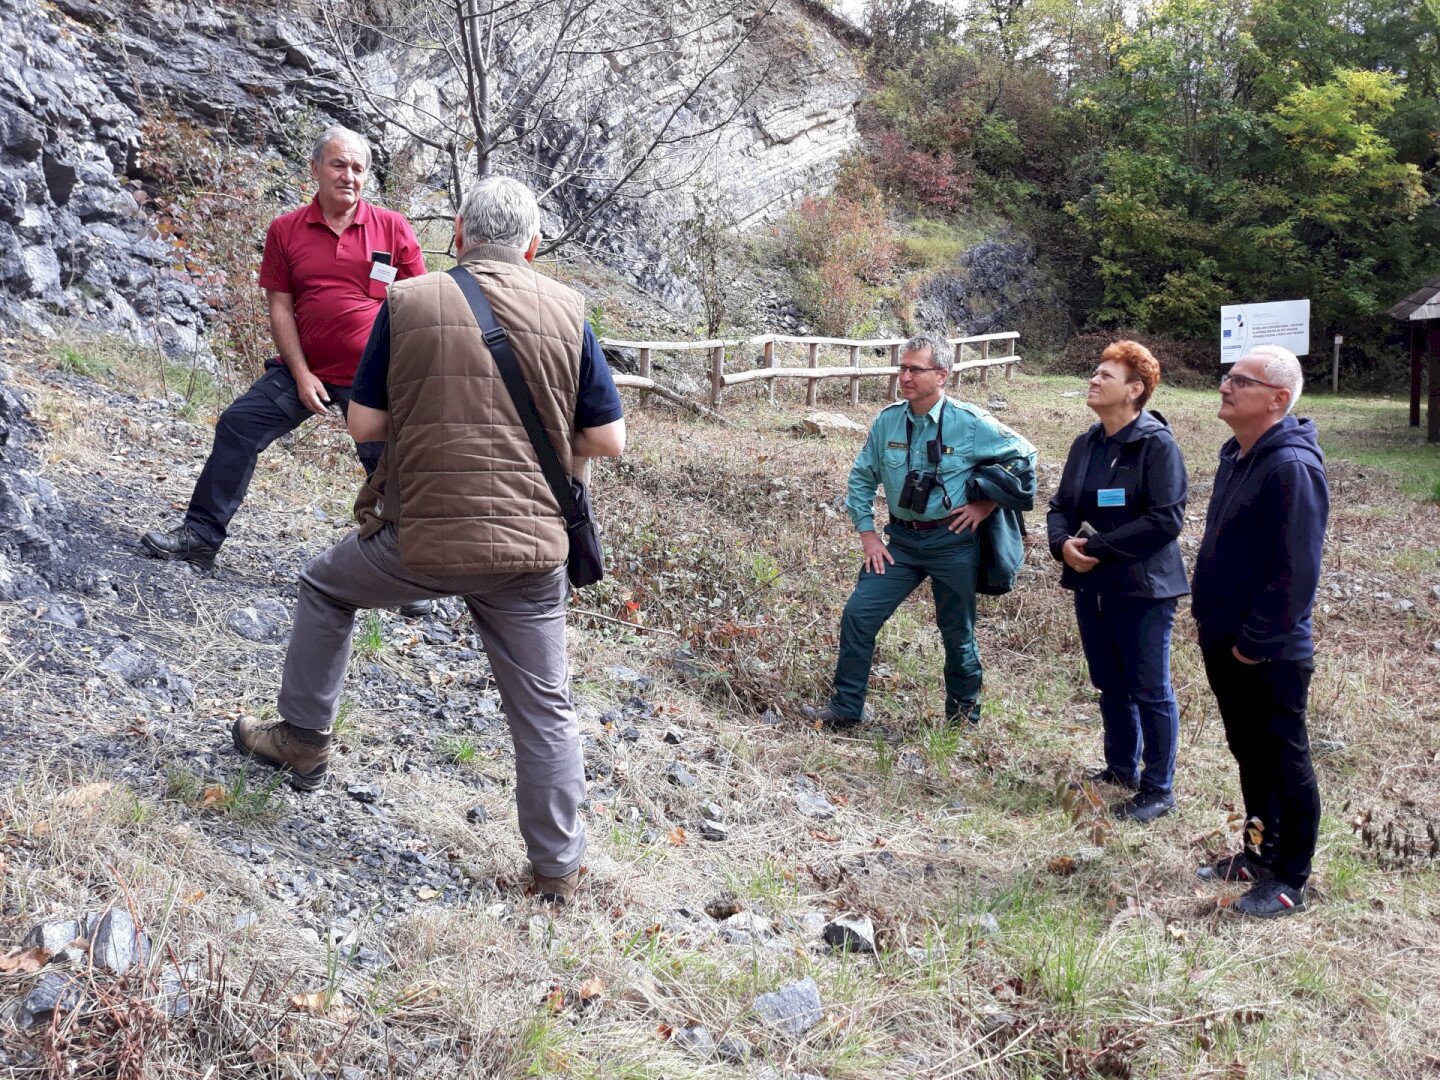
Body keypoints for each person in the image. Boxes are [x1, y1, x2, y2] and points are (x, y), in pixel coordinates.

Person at [231, 176, 626, 907]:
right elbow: (608, 438)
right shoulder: (570, 310)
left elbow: (364, 424)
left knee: (325, 586)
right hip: (531, 551)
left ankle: (303, 742)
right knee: (545, 709)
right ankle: (557, 873)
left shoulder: (408, 302)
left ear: (459, 236)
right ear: (534, 245)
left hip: (420, 540)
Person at [140, 127, 427, 590]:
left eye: (358, 168)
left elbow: (419, 303)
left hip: (373, 380)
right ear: (315, 169)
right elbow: (280, 308)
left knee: (391, 468)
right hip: (304, 371)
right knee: (239, 424)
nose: (349, 176)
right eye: (338, 164)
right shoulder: (286, 229)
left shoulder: (392, 227)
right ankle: (199, 538)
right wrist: (301, 373)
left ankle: (408, 575)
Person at [806, 333, 1036, 730]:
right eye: (902, 368)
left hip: (952, 542)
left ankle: (962, 720)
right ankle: (845, 709)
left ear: (941, 375)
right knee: (859, 614)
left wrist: (986, 504)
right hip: (901, 542)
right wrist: (867, 533)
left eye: (915, 369)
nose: (905, 377)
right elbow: (862, 478)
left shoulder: (970, 422)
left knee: (957, 632)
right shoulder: (889, 420)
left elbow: (1025, 455)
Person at [1191, 345, 1328, 917]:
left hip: (1268, 650)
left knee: (1284, 756)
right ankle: (1257, 852)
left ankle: (1290, 878)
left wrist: (1254, 643)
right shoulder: (1238, 455)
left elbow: (1297, 571)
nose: (1226, 386)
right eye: (1228, 377)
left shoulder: (1291, 466)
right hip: (1226, 637)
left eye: (1241, 381)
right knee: (1249, 750)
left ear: (1277, 399)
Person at [1046, 340, 1188, 824]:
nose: (1094, 379)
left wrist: (1097, 548)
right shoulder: (1086, 444)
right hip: (1092, 583)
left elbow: (1166, 520)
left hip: (1145, 587)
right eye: (1096, 372)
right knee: (1109, 682)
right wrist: (1062, 544)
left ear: (1135, 390)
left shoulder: (1157, 445)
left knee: (1150, 687)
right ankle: (1121, 769)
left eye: (1106, 375)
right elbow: (1061, 507)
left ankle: (1158, 788)